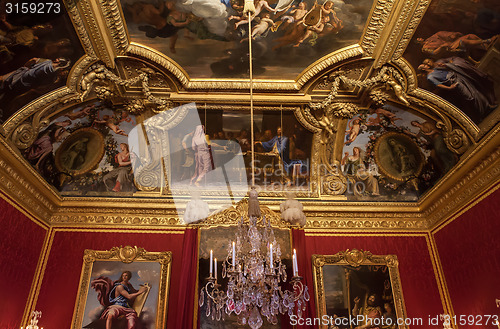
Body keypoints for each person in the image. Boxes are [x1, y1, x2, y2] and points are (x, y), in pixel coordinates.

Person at [418, 57, 497, 124]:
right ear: (423, 69)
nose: (426, 65)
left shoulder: (435, 69)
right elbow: (438, 84)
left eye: (426, 63)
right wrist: (450, 88)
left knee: (474, 91)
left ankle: (487, 107)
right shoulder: (430, 77)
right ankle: (481, 113)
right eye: (424, 65)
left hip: (458, 77)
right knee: (470, 97)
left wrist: (445, 65)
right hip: (456, 83)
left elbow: (449, 67)